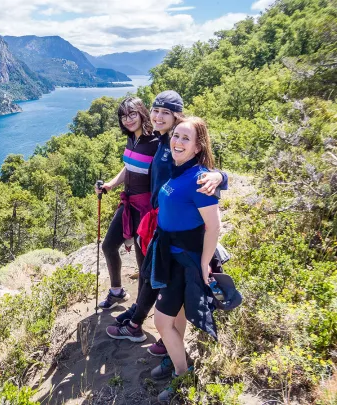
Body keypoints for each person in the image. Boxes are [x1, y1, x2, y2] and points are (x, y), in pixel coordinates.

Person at [106, 91, 228, 346]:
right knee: (153, 272)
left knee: (158, 274)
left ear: (176, 117)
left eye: (166, 113)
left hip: (169, 222)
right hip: (157, 219)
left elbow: (196, 168)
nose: (159, 117)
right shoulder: (163, 141)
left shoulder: (173, 144)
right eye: (156, 111)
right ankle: (140, 315)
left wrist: (221, 176)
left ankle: (143, 324)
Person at [149, 116, 221, 403]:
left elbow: (214, 226)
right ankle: (175, 358)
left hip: (185, 259)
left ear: (197, 146)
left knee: (161, 321)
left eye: (185, 138)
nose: (177, 142)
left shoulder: (200, 179)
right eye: (175, 136)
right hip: (171, 254)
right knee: (176, 317)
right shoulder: (180, 170)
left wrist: (205, 263)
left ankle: (183, 373)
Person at [95, 97, 157, 314]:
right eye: (124, 116)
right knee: (108, 246)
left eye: (132, 114)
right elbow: (128, 167)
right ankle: (117, 291)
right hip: (128, 204)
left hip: (146, 210)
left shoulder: (156, 143)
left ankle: (139, 309)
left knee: (143, 262)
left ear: (142, 113)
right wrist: (110, 185)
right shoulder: (133, 139)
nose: (128, 119)